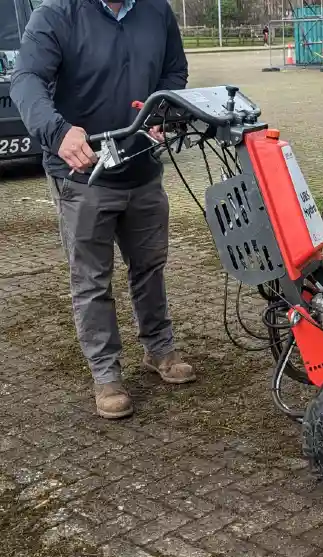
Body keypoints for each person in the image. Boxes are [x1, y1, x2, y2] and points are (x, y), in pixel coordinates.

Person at [11, 0, 195, 420]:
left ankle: (159, 349)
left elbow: (173, 71)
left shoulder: (156, 11)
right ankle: (106, 372)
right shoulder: (56, 15)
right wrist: (57, 131)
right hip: (82, 175)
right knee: (92, 280)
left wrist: (161, 112)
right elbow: (26, 80)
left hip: (142, 168)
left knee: (150, 266)